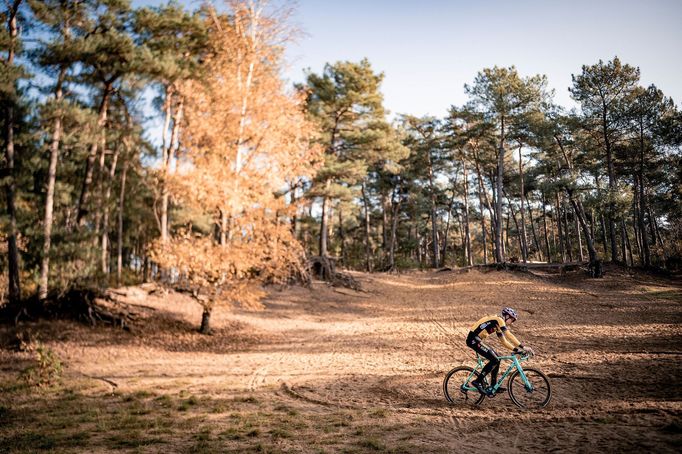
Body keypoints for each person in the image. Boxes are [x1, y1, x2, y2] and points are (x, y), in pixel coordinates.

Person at [466, 307, 534, 396]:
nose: (511, 322)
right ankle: (477, 381)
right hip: (473, 339)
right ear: (506, 316)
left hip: (477, 340)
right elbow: (508, 335)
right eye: (512, 319)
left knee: (497, 358)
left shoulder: (497, 326)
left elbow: (504, 342)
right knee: (494, 359)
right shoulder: (499, 319)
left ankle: (493, 386)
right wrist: (523, 347)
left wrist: (517, 350)